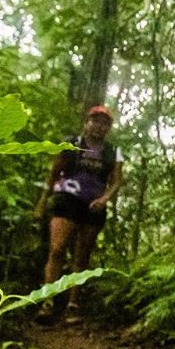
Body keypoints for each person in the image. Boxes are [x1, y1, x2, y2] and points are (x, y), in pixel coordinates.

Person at [35, 104, 124, 322]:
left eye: (104, 123)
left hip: (93, 206)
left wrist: (104, 199)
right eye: (95, 121)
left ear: (108, 128)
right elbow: (54, 172)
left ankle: (73, 304)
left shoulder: (113, 152)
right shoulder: (70, 144)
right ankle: (48, 300)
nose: (98, 126)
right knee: (56, 249)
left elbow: (116, 181)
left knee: (81, 256)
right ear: (86, 123)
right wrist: (42, 201)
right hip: (67, 200)